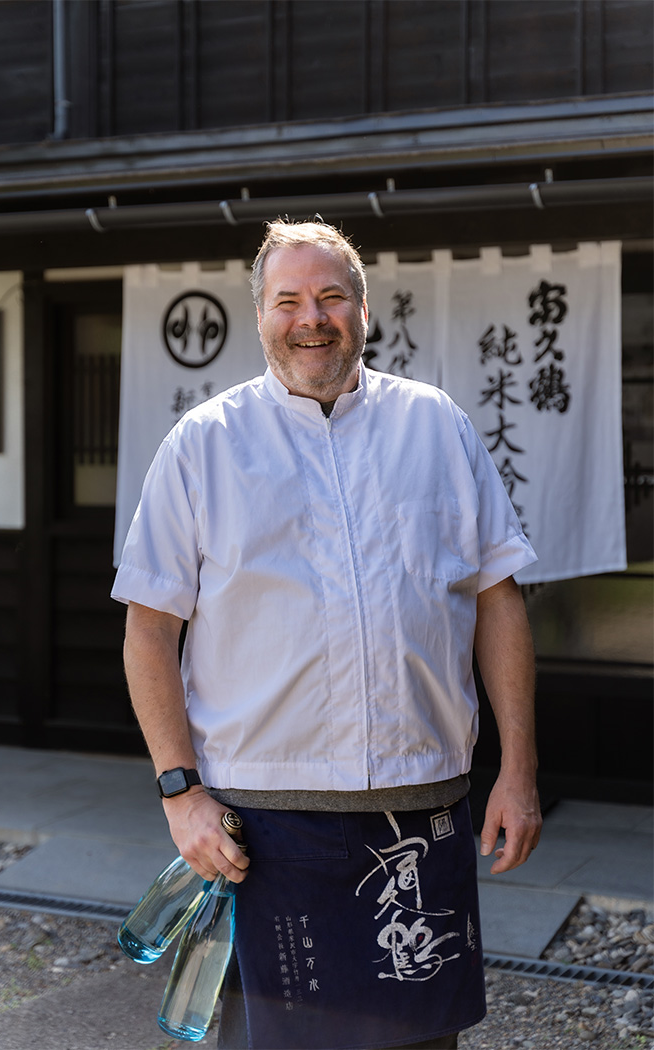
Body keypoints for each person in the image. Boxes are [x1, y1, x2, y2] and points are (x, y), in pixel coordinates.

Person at [112, 220, 542, 1050]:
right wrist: (179, 793)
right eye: (289, 300)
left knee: (423, 1044)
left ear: (364, 310)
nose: (312, 317)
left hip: (423, 809)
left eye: (331, 296)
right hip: (262, 828)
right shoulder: (203, 445)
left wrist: (518, 769)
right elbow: (149, 631)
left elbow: (499, 601)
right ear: (261, 316)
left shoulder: (437, 428)